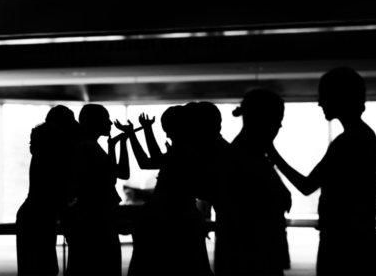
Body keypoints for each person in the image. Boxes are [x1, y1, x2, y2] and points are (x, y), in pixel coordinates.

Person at [267, 67, 376, 275]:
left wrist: (272, 154)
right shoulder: (363, 136)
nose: (320, 103)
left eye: (324, 96)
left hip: (342, 242)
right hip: (355, 239)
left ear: (340, 97)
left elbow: (307, 186)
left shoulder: (348, 141)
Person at [121, 103, 220, 276]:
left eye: (168, 129)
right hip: (181, 218)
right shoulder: (189, 151)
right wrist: (143, 131)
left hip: (169, 219)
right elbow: (150, 160)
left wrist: (138, 133)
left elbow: (147, 161)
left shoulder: (182, 152)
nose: (166, 133)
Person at [214, 89, 291, 276]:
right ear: (262, 120)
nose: (280, 125)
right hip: (254, 258)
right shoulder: (246, 157)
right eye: (277, 119)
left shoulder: (243, 153)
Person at [65, 104, 129, 276]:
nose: (109, 123)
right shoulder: (89, 147)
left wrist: (114, 146)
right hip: (97, 217)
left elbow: (115, 173)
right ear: (94, 122)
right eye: (105, 119)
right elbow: (120, 173)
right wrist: (122, 143)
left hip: (91, 215)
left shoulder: (86, 146)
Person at [16, 105, 79, 276]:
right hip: (41, 215)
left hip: (32, 214)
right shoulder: (56, 153)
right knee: (45, 267)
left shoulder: (41, 151)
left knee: (33, 267)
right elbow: (59, 190)